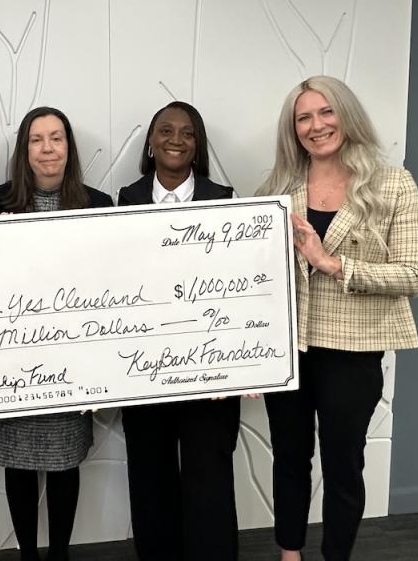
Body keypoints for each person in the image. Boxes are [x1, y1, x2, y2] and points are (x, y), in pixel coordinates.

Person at [256, 76, 418, 561]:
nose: (316, 125)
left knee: (343, 465)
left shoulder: (392, 183)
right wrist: (246, 354)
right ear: (293, 130)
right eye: (303, 117)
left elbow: (414, 274)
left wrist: (331, 264)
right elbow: (255, 281)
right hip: (290, 350)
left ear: (346, 115)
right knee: (289, 457)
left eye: (326, 112)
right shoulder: (277, 189)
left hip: (353, 351)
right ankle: (289, 555)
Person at [0, 106, 113, 561]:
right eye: (37, 140)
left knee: (65, 460)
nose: (47, 148)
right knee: (19, 460)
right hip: (12, 359)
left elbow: (113, 281)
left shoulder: (97, 204)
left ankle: (60, 554)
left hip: (73, 358)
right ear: (24, 151)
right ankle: (28, 554)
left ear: (69, 147)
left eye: (56, 138)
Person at [117, 101, 242, 561]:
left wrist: (240, 364)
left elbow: (239, 289)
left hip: (208, 372)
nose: (175, 139)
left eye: (187, 133)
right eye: (165, 131)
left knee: (209, 477)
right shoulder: (124, 201)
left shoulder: (224, 200)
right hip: (144, 371)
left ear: (198, 144)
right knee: (151, 477)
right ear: (150, 143)